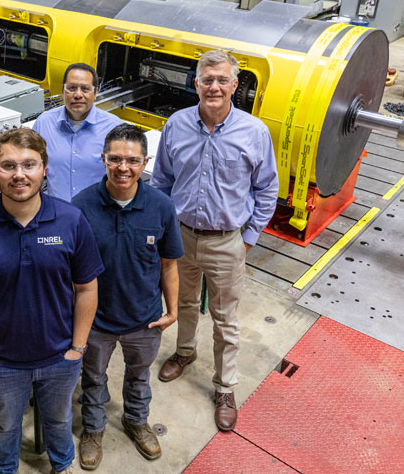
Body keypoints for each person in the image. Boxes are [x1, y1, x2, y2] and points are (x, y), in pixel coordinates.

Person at [0, 128, 103, 474]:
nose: (19, 174)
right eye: (8, 165)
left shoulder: (71, 220)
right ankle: (5, 468)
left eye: (29, 164)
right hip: (3, 361)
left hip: (61, 356)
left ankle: (62, 465)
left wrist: (77, 348)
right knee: (5, 425)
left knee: (59, 420)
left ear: (44, 168)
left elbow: (88, 288)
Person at [150, 50, 278, 432]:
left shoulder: (253, 132)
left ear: (235, 86)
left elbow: (267, 189)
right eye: (207, 80)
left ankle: (225, 387)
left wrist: (248, 238)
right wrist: (162, 230)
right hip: (181, 235)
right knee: (183, 302)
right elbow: (161, 182)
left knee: (226, 320)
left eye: (222, 80)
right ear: (196, 84)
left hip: (227, 240)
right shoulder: (176, 124)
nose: (214, 87)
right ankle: (184, 352)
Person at [71, 124, 183, 470]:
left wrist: (172, 310)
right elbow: (71, 270)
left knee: (139, 375)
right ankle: (93, 429)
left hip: (144, 318)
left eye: (132, 160)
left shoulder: (161, 207)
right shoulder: (82, 206)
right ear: (103, 159)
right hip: (97, 320)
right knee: (93, 378)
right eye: (115, 159)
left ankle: (136, 420)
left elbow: (168, 265)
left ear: (145, 162)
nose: (123, 168)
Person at [32, 63, 122, 202]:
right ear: (63, 91)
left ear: (95, 92)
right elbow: (31, 168)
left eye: (85, 89)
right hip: (57, 214)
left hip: (97, 217)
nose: (78, 95)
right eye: (72, 88)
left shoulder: (115, 129)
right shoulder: (44, 124)